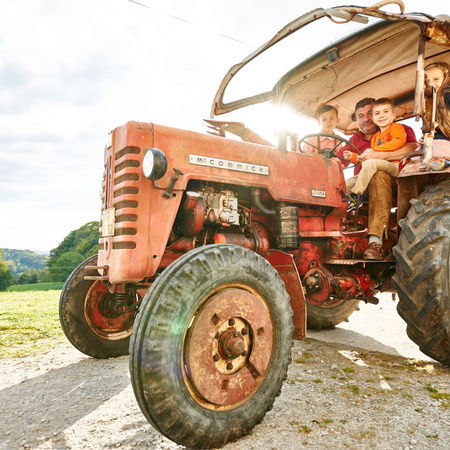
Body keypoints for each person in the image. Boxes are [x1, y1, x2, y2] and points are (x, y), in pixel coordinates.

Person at [336, 98, 417, 259]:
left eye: (369, 113)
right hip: (363, 184)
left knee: (378, 176)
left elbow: (411, 148)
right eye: (360, 116)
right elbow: (339, 160)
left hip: (393, 182)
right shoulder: (355, 139)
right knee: (339, 185)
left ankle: (375, 242)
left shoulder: (400, 129)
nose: (366, 118)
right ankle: (335, 221)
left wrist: (378, 154)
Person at [343, 98, 406, 207]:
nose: (381, 116)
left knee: (371, 164)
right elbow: (368, 157)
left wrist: (376, 150)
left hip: (395, 166)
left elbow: (398, 142)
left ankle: (357, 195)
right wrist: (353, 157)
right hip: (373, 171)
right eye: (377, 113)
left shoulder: (396, 128)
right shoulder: (376, 137)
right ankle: (343, 204)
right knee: (347, 182)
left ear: (394, 115)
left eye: (386, 112)